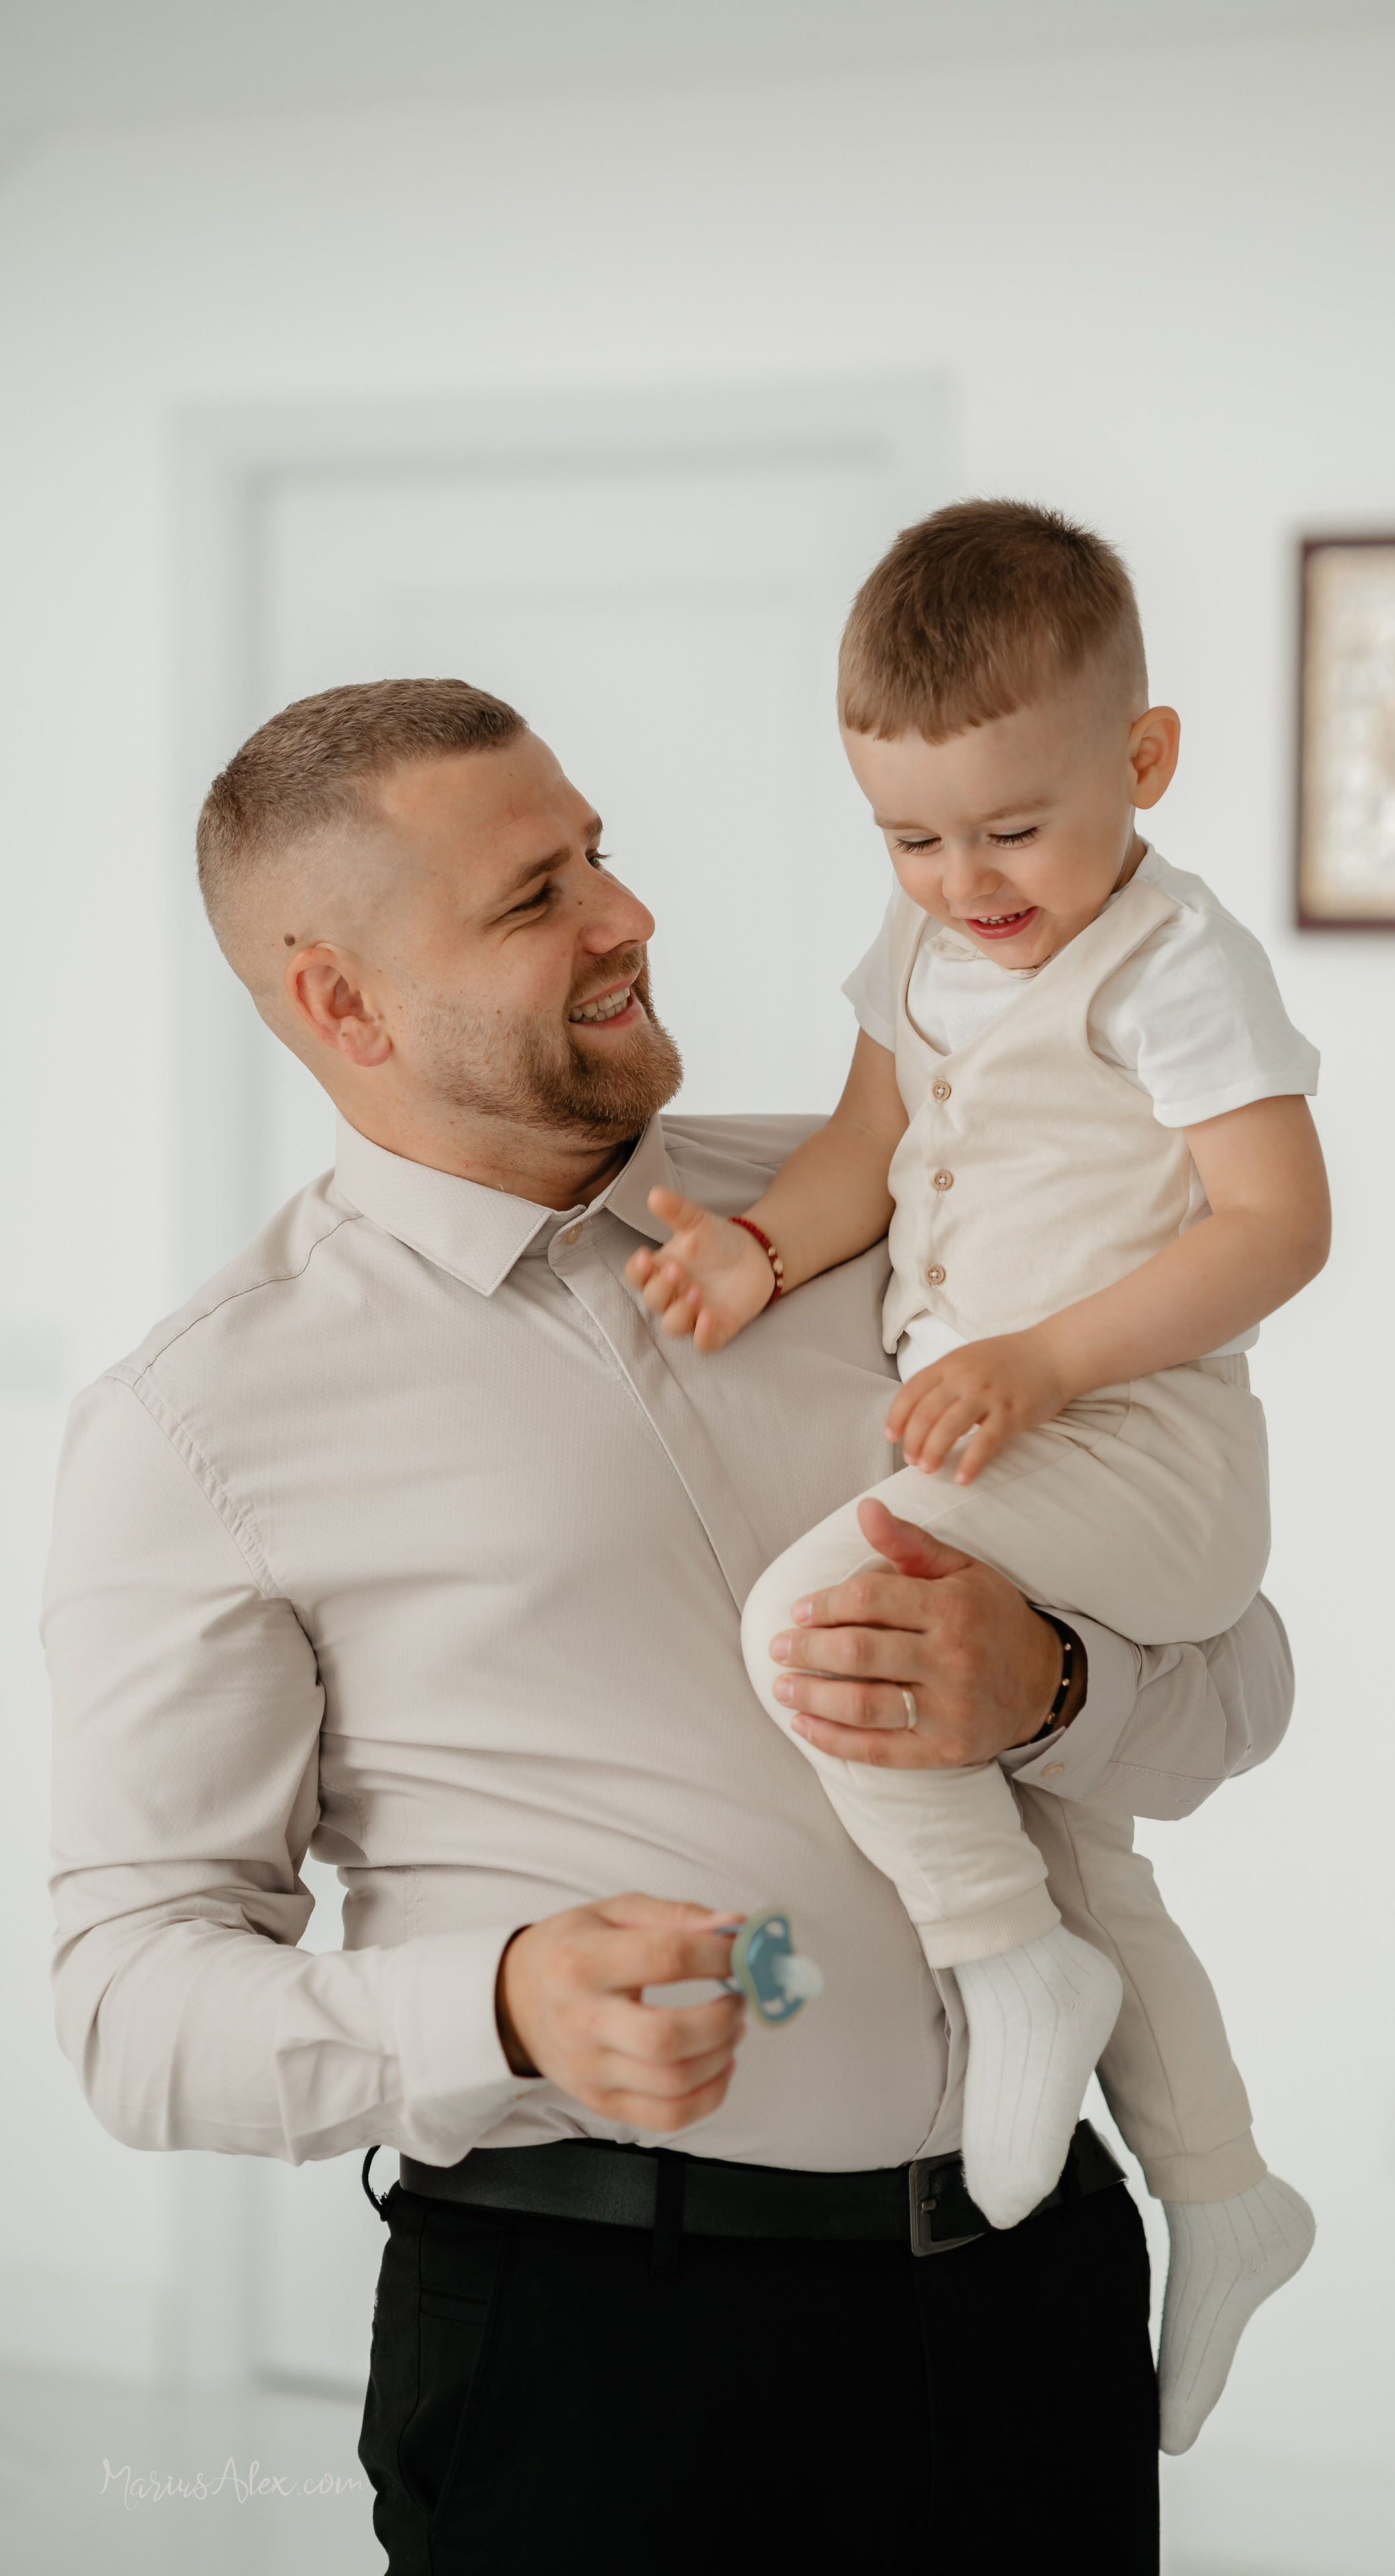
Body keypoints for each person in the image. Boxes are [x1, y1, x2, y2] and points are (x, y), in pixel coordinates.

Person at [45, 677, 1296, 2572]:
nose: (627, 917)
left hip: (1033, 2299)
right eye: (534, 896)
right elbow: (132, 2006)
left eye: (600, 854)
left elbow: (1241, 1683)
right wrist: (502, 2005)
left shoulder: (886, 1215)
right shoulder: (199, 1423)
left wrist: (1045, 1690)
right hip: (604, 2365)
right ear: (342, 1002)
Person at [625, 500, 1325, 2447]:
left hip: (1143, 1443)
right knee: (1079, 1835)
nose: (966, 880)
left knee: (822, 1621)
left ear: (1145, 762)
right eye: (911, 837)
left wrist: (1042, 1358)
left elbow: (1278, 1226)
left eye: (1013, 827)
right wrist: (765, 1251)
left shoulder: (1175, 963)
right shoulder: (922, 952)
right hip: (1023, 1429)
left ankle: (997, 1968)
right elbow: (866, 1148)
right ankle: (1228, 2189)